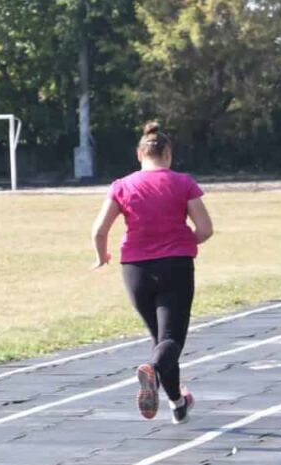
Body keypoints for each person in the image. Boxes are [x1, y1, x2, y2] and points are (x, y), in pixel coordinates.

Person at [91, 121, 214, 423]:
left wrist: (102, 256)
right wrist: (186, 240)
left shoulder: (121, 185)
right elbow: (206, 229)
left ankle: (177, 402)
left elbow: (98, 231)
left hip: (135, 271)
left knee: (160, 340)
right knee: (171, 339)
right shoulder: (183, 182)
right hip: (175, 265)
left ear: (139, 154)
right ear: (168, 154)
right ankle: (152, 372)